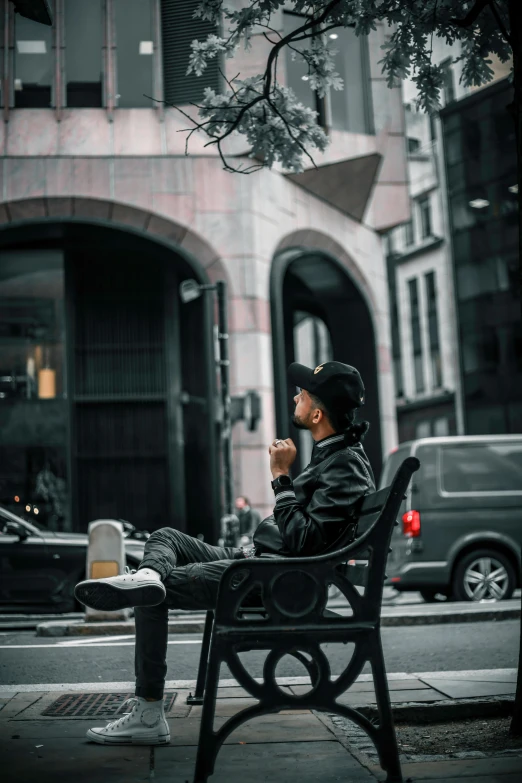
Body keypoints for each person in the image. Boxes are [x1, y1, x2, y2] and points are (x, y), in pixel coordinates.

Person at [74, 360, 375, 745]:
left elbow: (304, 543)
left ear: (317, 413)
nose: (296, 395)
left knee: (152, 597)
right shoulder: (333, 456)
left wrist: (281, 477)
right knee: (166, 538)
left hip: (273, 580)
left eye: (304, 393)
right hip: (260, 564)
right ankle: (149, 574)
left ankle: (148, 713)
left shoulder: (345, 465)